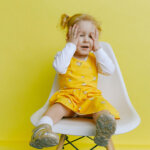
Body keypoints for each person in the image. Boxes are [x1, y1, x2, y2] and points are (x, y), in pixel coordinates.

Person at [29, 13, 120, 149]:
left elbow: (110, 70)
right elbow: (59, 67)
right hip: (69, 97)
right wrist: (70, 45)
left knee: (101, 107)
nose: (86, 40)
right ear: (69, 38)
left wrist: (98, 48)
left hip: (90, 97)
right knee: (57, 108)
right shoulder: (64, 56)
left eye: (90, 36)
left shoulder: (95, 59)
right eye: (80, 35)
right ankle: (42, 130)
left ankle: (104, 129)